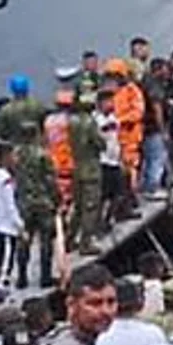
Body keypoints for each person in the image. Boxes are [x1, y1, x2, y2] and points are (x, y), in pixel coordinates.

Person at [14, 121, 58, 290]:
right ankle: (45, 277)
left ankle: (22, 277)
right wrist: (57, 198)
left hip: (23, 203)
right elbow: (50, 180)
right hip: (42, 202)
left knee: (24, 240)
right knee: (46, 240)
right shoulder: (43, 155)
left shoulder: (16, 155)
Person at [69, 92, 106, 250]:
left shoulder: (72, 121)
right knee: (90, 207)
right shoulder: (90, 122)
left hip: (77, 167)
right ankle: (86, 241)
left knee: (78, 207)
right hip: (91, 169)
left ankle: (69, 238)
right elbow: (99, 143)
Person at [0, 144, 24, 287]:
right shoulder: (6, 178)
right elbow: (10, 205)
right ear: (6, 157)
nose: (16, 159)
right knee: (5, 265)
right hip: (6, 228)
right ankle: (0, 290)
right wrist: (20, 226)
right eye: (14, 156)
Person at [110, 60, 146, 198]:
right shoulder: (109, 92)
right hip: (113, 138)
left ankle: (131, 196)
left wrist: (120, 120)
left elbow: (138, 112)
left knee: (130, 168)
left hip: (130, 136)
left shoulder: (132, 90)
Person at [44, 87, 77, 215]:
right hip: (70, 163)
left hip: (54, 164)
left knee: (59, 197)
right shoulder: (72, 122)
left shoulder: (49, 121)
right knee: (72, 197)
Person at [95, 86, 125, 226]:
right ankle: (99, 222)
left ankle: (109, 218)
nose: (111, 104)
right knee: (103, 195)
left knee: (118, 193)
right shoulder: (96, 119)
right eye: (108, 101)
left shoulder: (114, 118)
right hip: (103, 161)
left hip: (115, 159)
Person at [140, 58, 170, 196]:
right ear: (158, 70)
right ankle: (153, 188)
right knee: (157, 156)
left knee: (149, 156)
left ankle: (147, 185)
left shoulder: (145, 82)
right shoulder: (154, 85)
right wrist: (163, 130)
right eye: (165, 69)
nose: (167, 72)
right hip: (152, 126)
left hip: (144, 126)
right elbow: (157, 108)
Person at [0, 75, 47, 148]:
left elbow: (2, 133)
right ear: (27, 88)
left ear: (12, 89)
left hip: (15, 148)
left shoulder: (5, 110)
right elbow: (44, 125)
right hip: (37, 147)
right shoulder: (38, 106)